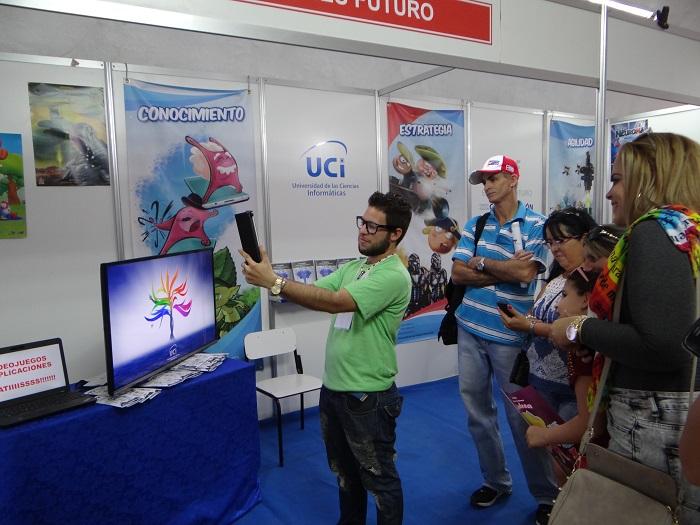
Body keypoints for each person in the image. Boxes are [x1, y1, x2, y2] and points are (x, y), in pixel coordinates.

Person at [550, 132, 700, 524]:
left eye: (617, 179)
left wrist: (579, 328)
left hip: (652, 419)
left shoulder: (655, 232)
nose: (610, 192)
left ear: (649, 178)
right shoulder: (687, 232)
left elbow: (664, 345)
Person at [239, 191, 412, 525]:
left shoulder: (392, 275)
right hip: (335, 390)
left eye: (373, 226)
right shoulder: (356, 267)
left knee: (379, 479)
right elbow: (314, 294)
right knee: (346, 475)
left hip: (368, 397)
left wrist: (274, 282)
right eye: (362, 221)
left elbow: (334, 302)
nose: (363, 230)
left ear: (395, 235)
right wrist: (271, 277)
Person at [451, 154, 551, 524]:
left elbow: (527, 272)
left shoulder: (539, 224)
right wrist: (499, 269)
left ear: (512, 179)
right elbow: (459, 274)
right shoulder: (476, 224)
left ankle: (546, 495)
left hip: (510, 336)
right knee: (477, 413)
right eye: (484, 181)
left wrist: (481, 263)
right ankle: (496, 481)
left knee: (521, 418)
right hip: (469, 329)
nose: (487, 186)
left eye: (494, 178)